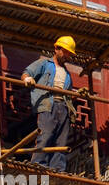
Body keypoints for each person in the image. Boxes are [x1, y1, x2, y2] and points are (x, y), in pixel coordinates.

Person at [21, 35, 76, 171]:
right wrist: (27, 79)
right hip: (48, 104)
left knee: (61, 140)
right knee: (46, 135)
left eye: (69, 53)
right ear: (56, 49)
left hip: (63, 107)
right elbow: (27, 72)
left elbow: (68, 92)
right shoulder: (44, 64)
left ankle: (58, 168)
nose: (67, 55)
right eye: (65, 51)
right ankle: (39, 164)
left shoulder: (67, 73)